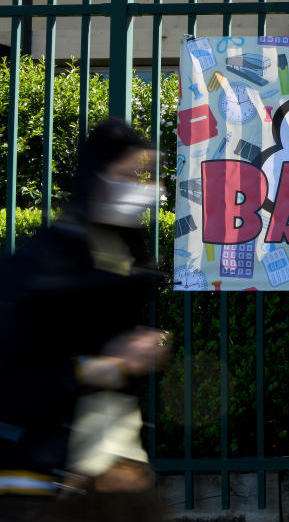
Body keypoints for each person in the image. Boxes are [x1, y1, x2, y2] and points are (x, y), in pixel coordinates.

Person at [0, 118, 169, 521]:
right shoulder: (44, 262)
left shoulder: (117, 251)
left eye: (144, 175)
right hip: (41, 475)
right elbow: (26, 373)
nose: (144, 187)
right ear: (96, 176)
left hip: (109, 466)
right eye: (130, 174)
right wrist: (112, 364)